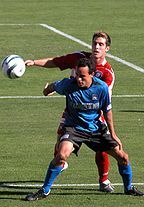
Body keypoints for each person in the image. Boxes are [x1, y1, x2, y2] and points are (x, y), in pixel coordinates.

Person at [25, 58, 144, 201]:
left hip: (96, 130)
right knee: (61, 155)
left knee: (123, 157)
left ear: (92, 74)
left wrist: (113, 134)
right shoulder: (68, 85)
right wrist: (46, 91)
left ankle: (128, 188)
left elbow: (107, 111)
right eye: (77, 75)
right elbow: (52, 86)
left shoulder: (101, 88)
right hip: (73, 129)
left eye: (82, 76)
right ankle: (44, 190)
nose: (79, 79)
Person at [25, 31, 115, 192]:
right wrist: (34, 62)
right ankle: (59, 165)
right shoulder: (79, 59)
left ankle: (104, 180)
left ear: (107, 48)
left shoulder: (107, 73)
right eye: (95, 43)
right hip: (73, 110)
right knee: (60, 141)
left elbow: (102, 99)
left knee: (102, 147)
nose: (96, 46)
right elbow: (56, 61)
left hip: (95, 114)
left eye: (101, 44)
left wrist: (63, 89)